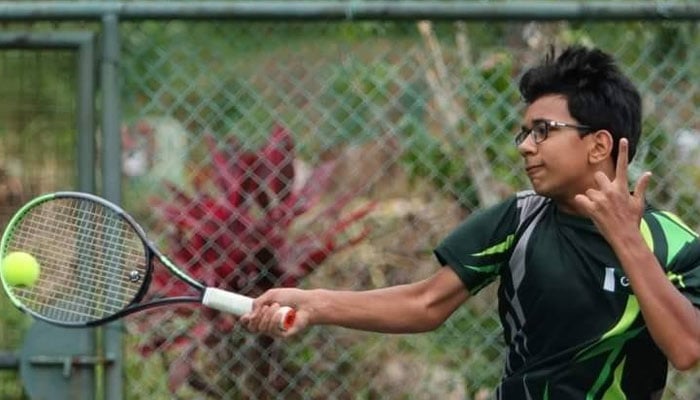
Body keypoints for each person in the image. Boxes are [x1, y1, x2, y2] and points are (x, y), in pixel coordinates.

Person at [241, 45, 700, 399]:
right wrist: (316, 303)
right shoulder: (517, 219)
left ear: (599, 146)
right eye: (524, 132)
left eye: (543, 131)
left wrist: (627, 241)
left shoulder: (671, 242)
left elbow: (687, 349)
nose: (525, 145)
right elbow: (425, 303)